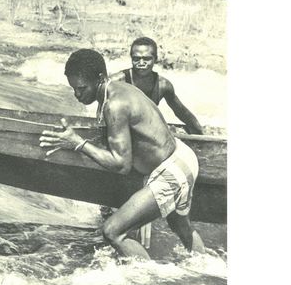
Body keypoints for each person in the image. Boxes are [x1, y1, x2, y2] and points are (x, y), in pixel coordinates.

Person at [39, 48, 205, 260]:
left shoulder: (114, 104)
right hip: (182, 157)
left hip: (171, 171)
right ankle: (209, 269)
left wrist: (78, 143)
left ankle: (148, 284)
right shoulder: (117, 88)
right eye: (74, 89)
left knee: (112, 231)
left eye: (81, 88)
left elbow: (121, 164)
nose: (77, 95)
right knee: (180, 226)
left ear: (100, 78)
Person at [108, 37, 204, 135]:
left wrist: (199, 133)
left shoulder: (163, 85)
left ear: (155, 59)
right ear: (131, 58)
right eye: (136, 59)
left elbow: (181, 112)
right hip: (118, 132)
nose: (141, 63)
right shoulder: (116, 82)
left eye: (146, 59)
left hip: (144, 132)